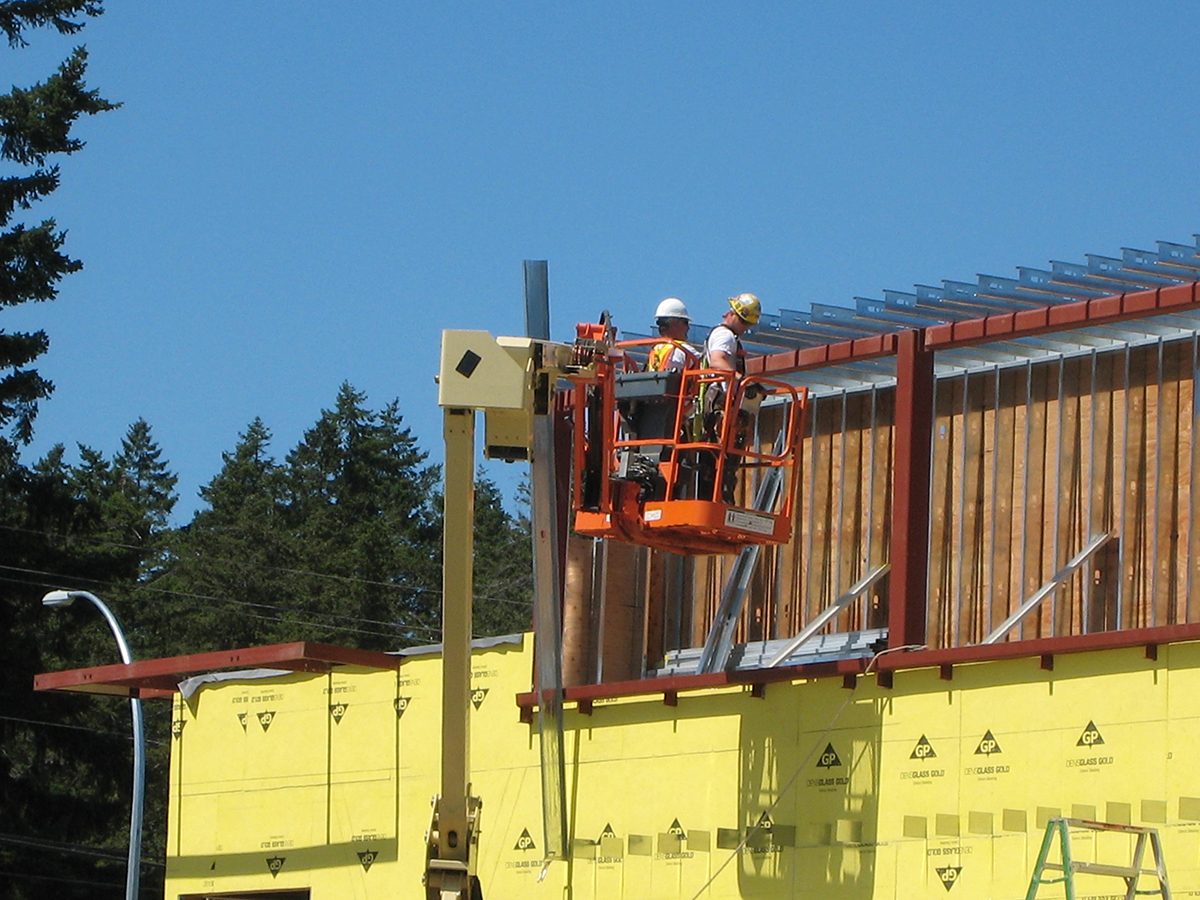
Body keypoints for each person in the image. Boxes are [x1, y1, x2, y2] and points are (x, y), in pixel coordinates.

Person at [700, 292, 762, 502]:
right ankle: (720, 500)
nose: (745, 328)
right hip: (722, 404)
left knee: (723, 459)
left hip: (723, 404)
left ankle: (719, 498)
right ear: (734, 315)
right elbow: (717, 361)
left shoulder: (727, 336)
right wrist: (743, 381)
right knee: (723, 458)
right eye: (744, 322)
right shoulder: (725, 335)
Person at [646, 297, 695, 371]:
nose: (688, 327)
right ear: (674, 323)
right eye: (686, 322)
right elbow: (704, 363)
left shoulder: (655, 349)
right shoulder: (682, 349)